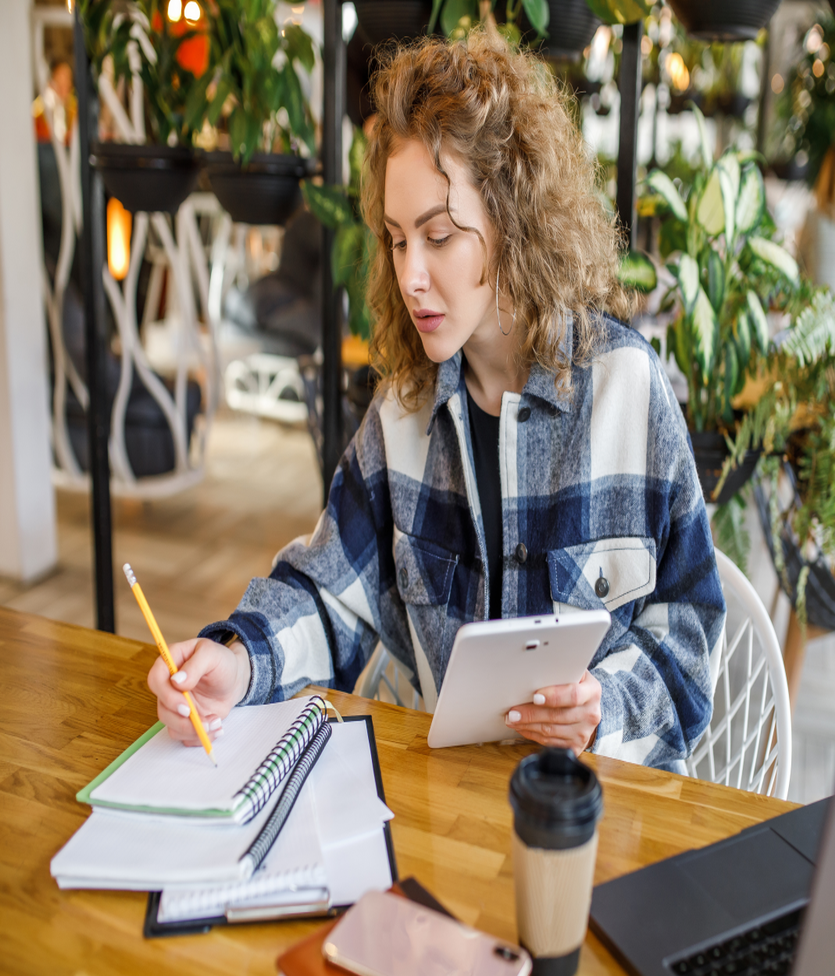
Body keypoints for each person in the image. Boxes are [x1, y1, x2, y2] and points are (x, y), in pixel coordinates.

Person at [147, 30, 726, 770]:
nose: (410, 275)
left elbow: (690, 635)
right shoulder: (403, 412)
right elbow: (330, 594)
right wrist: (238, 662)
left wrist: (602, 707)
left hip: (602, 810)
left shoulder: (627, 390)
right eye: (397, 240)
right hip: (452, 815)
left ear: (513, 223)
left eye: (440, 236)